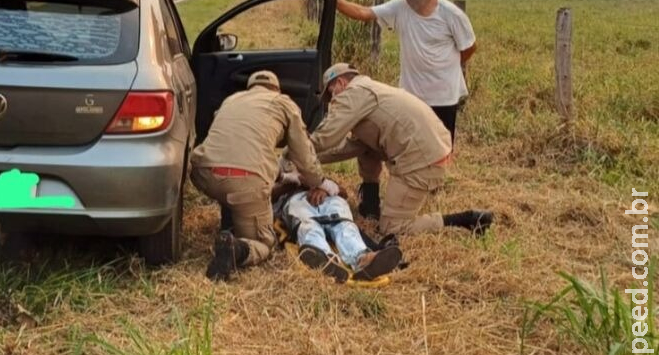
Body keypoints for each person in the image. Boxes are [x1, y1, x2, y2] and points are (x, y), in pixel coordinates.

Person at [310, 63, 493, 237]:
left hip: (421, 161)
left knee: (392, 228)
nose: (332, 101)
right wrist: (309, 158)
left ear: (341, 83)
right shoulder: (370, 89)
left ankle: (465, 220)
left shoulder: (353, 94)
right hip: (433, 148)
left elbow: (327, 136)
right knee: (364, 145)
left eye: (332, 94)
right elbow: (350, 147)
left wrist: (296, 152)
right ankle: (371, 206)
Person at [190, 70, 338, 281]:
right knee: (265, 243)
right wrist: (319, 182)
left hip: (203, 172)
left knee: (233, 185)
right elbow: (303, 155)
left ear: (250, 88)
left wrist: (283, 177)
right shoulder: (283, 103)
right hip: (244, 182)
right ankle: (236, 249)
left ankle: (229, 223)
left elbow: (237, 147)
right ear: (276, 89)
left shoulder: (231, 100)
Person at [325, 0, 476, 143]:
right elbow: (363, 12)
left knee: (441, 146)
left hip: (443, 95)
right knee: (411, 144)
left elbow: (469, 47)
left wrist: (445, 67)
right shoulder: (400, 7)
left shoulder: (451, 15)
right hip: (411, 94)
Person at [272, 171, 402, 283]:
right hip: (296, 200)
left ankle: (364, 258)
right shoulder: (278, 166)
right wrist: (289, 184)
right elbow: (265, 194)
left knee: (344, 225)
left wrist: (324, 187)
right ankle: (326, 259)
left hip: (328, 199)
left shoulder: (314, 169)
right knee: (308, 227)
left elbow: (343, 192)